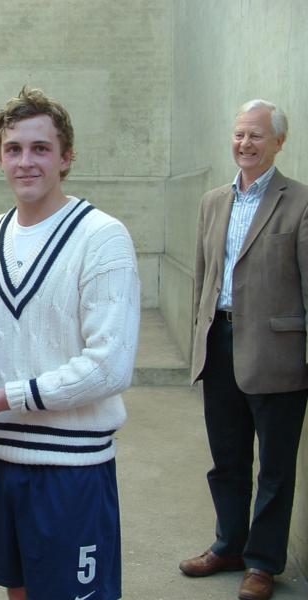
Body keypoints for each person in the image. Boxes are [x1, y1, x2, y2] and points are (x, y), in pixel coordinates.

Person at [0, 87, 140, 600]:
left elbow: (109, 367)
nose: (25, 161)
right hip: (3, 458)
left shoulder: (102, 236)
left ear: (66, 157)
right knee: (19, 592)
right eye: (13, 149)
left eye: (40, 148)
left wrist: (5, 398)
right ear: (0, 157)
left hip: (71, 466)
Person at [180, 100, 308, 600]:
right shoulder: (214, 201)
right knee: (226, 459)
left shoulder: (298, 202)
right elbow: (203, 277)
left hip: (278, 356)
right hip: (220, 345)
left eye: (256, 136)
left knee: (275, 467)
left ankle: (263, 563)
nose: (245, 144)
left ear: (278, 142)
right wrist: (197, 340)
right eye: (238, 135)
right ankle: (229, 544)